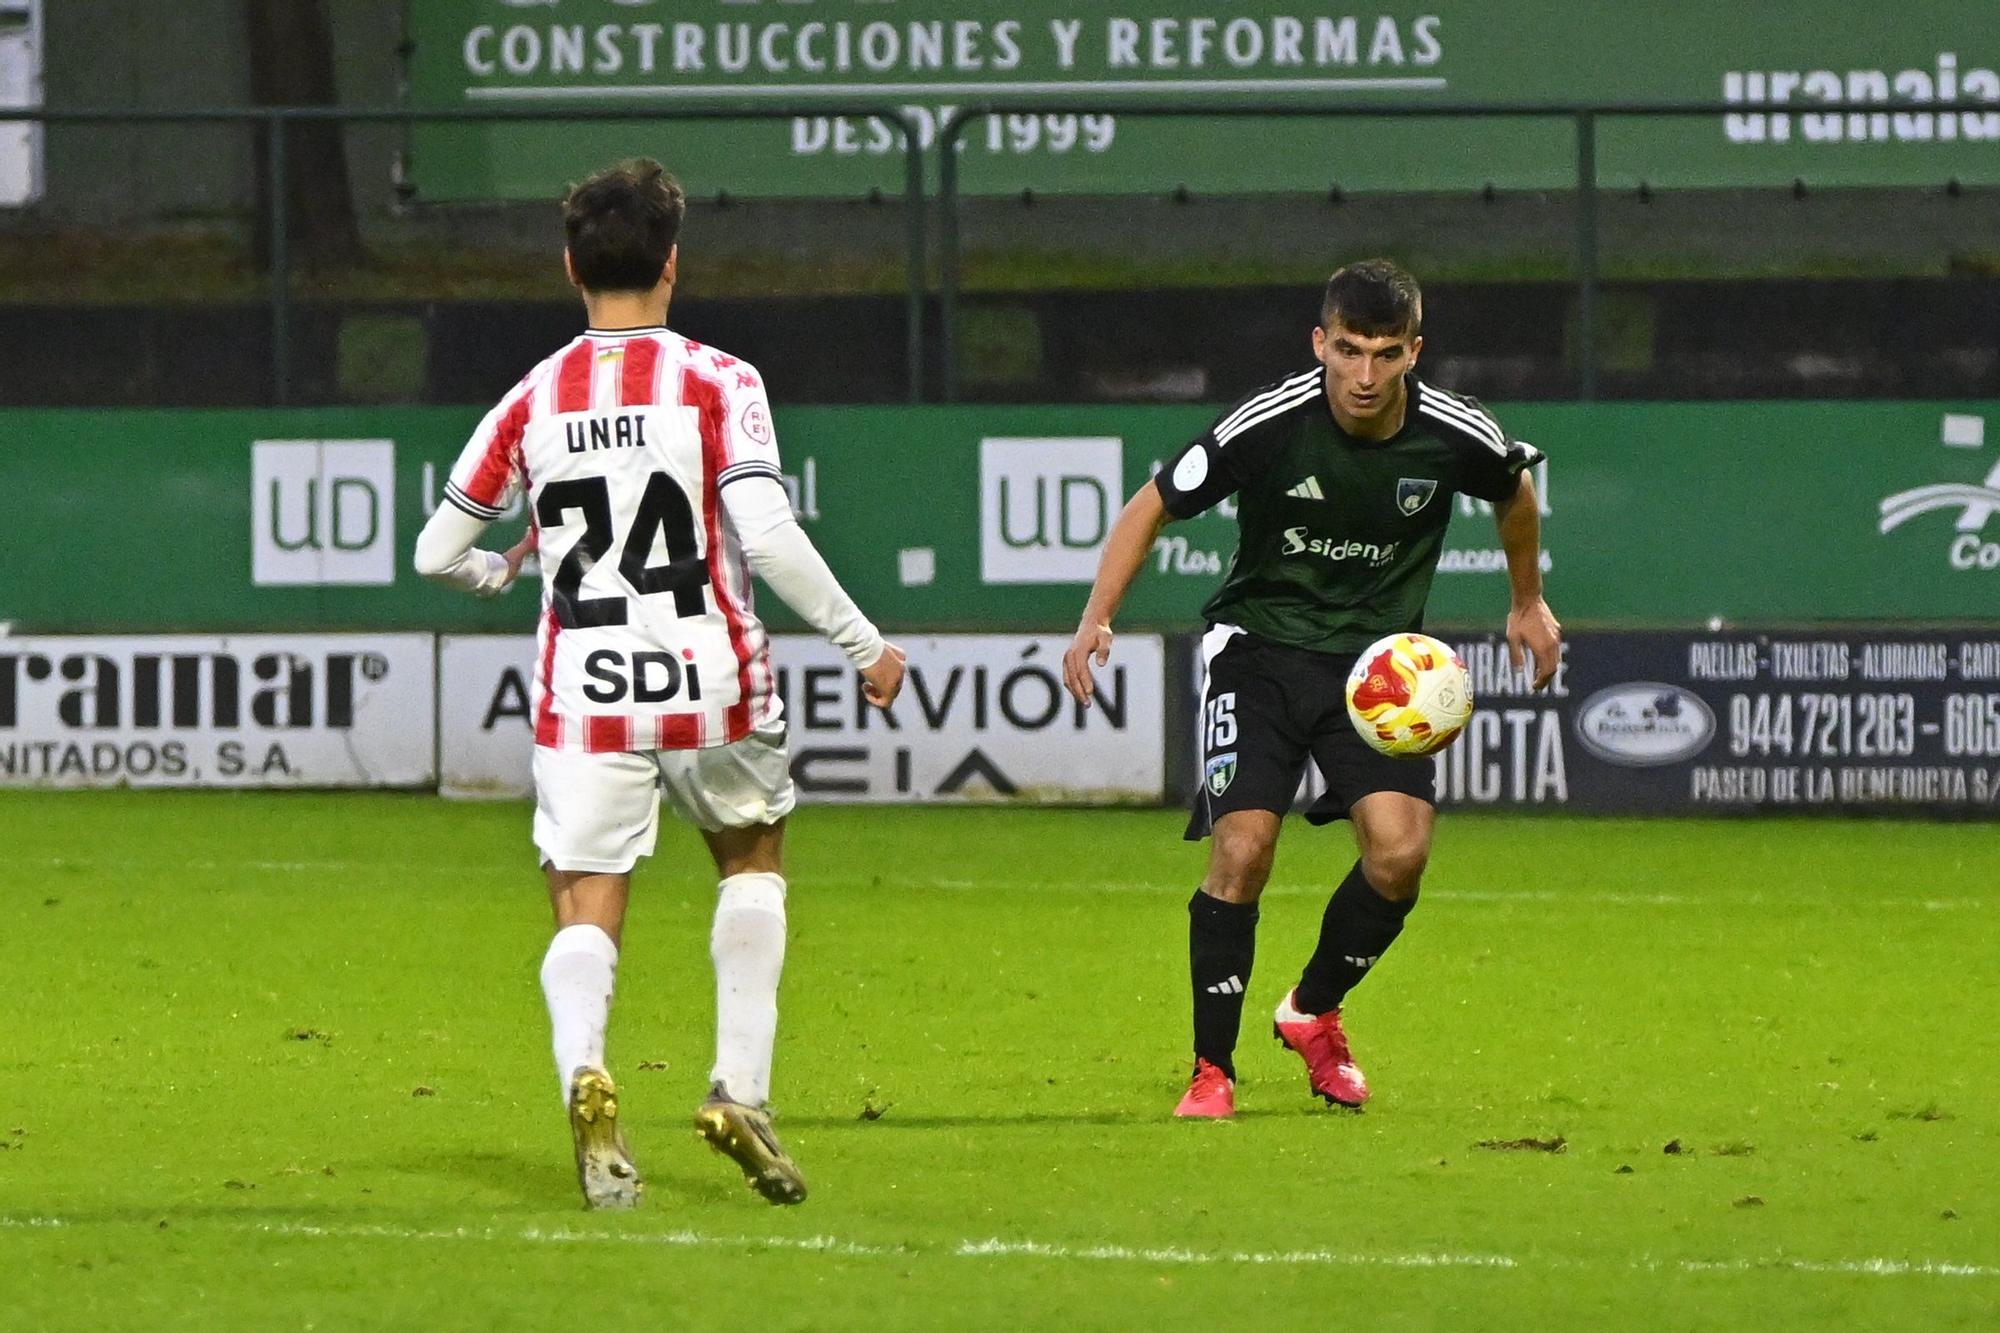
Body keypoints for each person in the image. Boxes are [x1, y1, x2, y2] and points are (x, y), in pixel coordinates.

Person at [413, 158, 906, 1206]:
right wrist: (863, 644)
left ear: (569, 268)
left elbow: (434, 548)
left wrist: (496, 567)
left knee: (584, 904)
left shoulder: (533, 396)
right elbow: (766, 539)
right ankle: (739, 1089)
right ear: (672, 264)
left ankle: (588, 1075)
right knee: (750, 857)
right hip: (711, 677)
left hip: (583, 694)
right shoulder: (718, 382)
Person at [1061, 259, 1560, 1119]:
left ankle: (1311, 1011)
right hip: (1257, 653)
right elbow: (1149, 505)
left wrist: (1527, 598)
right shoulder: (1272, 420)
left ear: (1415, 351)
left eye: (1386, 354)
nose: (1365, 376)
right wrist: (1098, 616)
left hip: (1375, 675)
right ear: (1320, 342)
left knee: (1400, 857)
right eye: (1350, 352)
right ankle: (1211, 1069)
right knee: (1244, 850)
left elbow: (1513, 486)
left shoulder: (1454, 431)